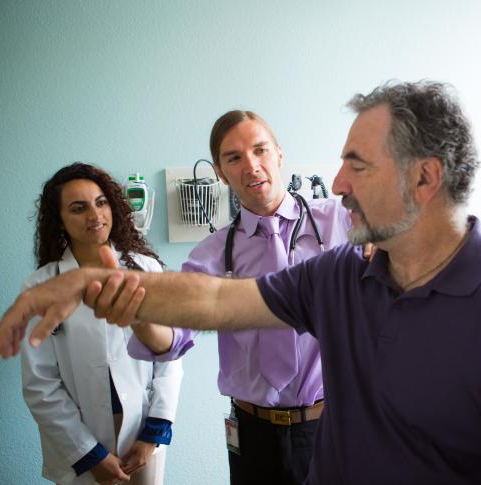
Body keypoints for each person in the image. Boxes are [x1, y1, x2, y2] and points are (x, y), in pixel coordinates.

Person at [0, 82, 481, 484]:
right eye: (233, 158)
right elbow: (210, 299)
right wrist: (91, 284)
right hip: (258, 432)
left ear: (424, 178)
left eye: (356, 165)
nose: (335, 184)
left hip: (315, 422)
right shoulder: (337, 272)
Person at [128, 110, 351, 485]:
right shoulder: (211, 255)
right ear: (219, 171)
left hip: (333, 426)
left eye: (260, 150)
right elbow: (173, 337)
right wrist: (138, 313)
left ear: (279, 153)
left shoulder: (340, 221)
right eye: (234, 157)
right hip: (253, 434)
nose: (251, 165)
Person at [18, 163, 183, 485]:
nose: (94, 216)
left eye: (101, 202)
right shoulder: (40, 288)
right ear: (60, 221)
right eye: (78, 208)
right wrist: (89, 454)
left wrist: (153, 433)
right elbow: (41, 384)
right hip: (77, 435)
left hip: (142, 427)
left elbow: (170, 356)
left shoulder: (146, 270)